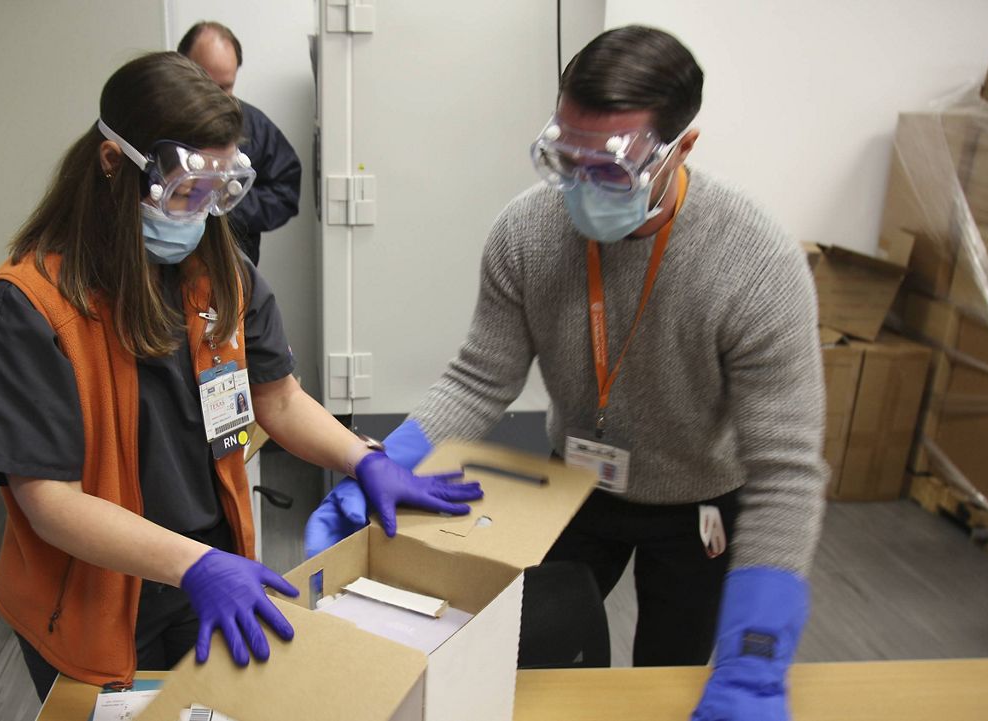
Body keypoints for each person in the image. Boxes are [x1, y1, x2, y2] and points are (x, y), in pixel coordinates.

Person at [305, 26, 826, 721]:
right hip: (573, 483)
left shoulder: (755, 264)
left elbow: (786, 473)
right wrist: (382, 462)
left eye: (609, 168)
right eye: (564, 158)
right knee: (528, 653)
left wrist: (760, 656)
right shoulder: (527, 233)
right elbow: (478, 378)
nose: (580, 187)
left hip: (700, 503)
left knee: (666, 679)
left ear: (682, 149)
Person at [0, 52, 482, 701]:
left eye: (218, 191)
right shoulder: (32, 304)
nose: (201, 211)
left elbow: (278, 398)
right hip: (98, 596)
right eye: (185, 189)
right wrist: (191, 564)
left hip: (212, 570)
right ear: (114, 163)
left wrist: (363, 459)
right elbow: (51, 503)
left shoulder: (218, 272)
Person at [178, 21, 302, 266]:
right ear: (181, 68)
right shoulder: (153, 120)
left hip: (231, 272)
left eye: (225, 87)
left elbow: (285, 192)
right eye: (205, 83)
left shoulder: (254, 126)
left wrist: (228, 199)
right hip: (159, 275)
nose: (215, 98)